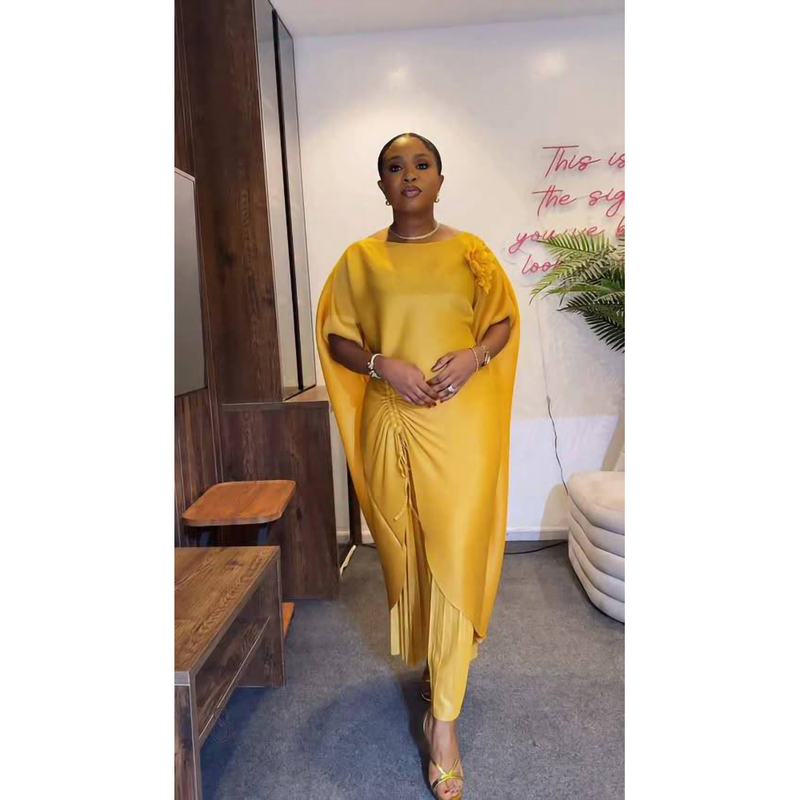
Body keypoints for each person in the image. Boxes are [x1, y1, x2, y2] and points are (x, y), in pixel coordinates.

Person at [315, 132, 520, 799]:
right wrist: (383, 365)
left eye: (422, 164)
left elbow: (501, 320)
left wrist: (474, 356)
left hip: (462, 424)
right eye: (394, 167)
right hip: (392, 423)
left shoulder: (470, 252)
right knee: (409, 555)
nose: (409, 174)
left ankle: (445, 725)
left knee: (455, 552)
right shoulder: (361, 259)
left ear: (440, 178)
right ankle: (436, 660)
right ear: (381, 185)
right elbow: (337, 337)